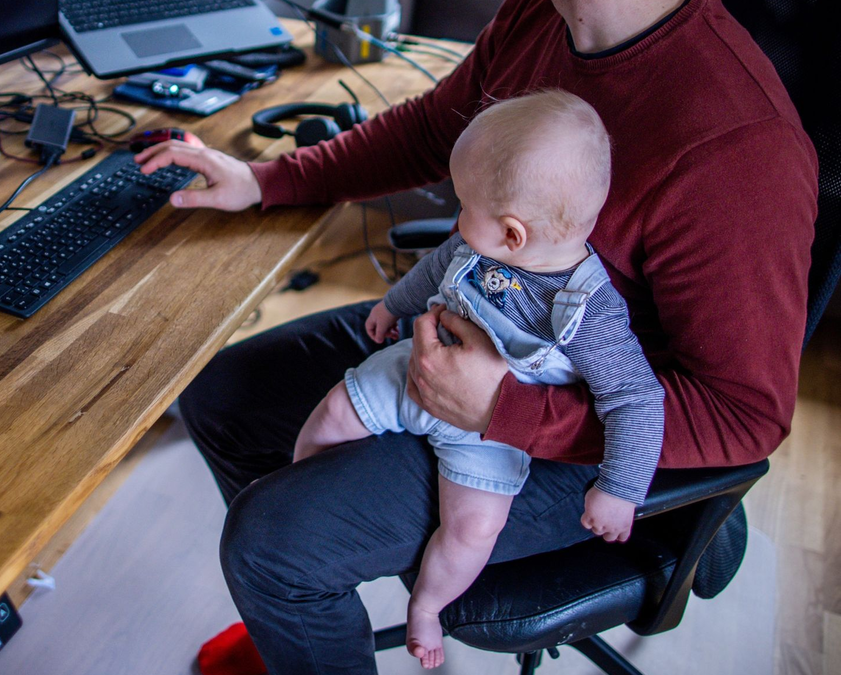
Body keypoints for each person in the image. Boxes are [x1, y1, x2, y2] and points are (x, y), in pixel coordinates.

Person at [134, 0, 818, 672]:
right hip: (472, 316)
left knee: (272, 543)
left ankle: (295, 582)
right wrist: (267, 179)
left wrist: (506, 411)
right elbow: (434, 131)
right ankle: (302, 616)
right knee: (222, 393)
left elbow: (745, 415)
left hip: (589, 419)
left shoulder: (740, 147)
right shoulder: (538, 16)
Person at [292, 90, 664, 668]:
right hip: (417, 368)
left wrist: (620, 488)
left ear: (514, 235)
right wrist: (393, 305)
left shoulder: (590, 313)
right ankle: (299, 490)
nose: (457, 215)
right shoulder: (475, 247)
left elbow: (635, 399)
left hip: (490, 435)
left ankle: (426, 607)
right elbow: (433, 269)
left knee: (472, 531)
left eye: (464, 203)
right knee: (334, 412)